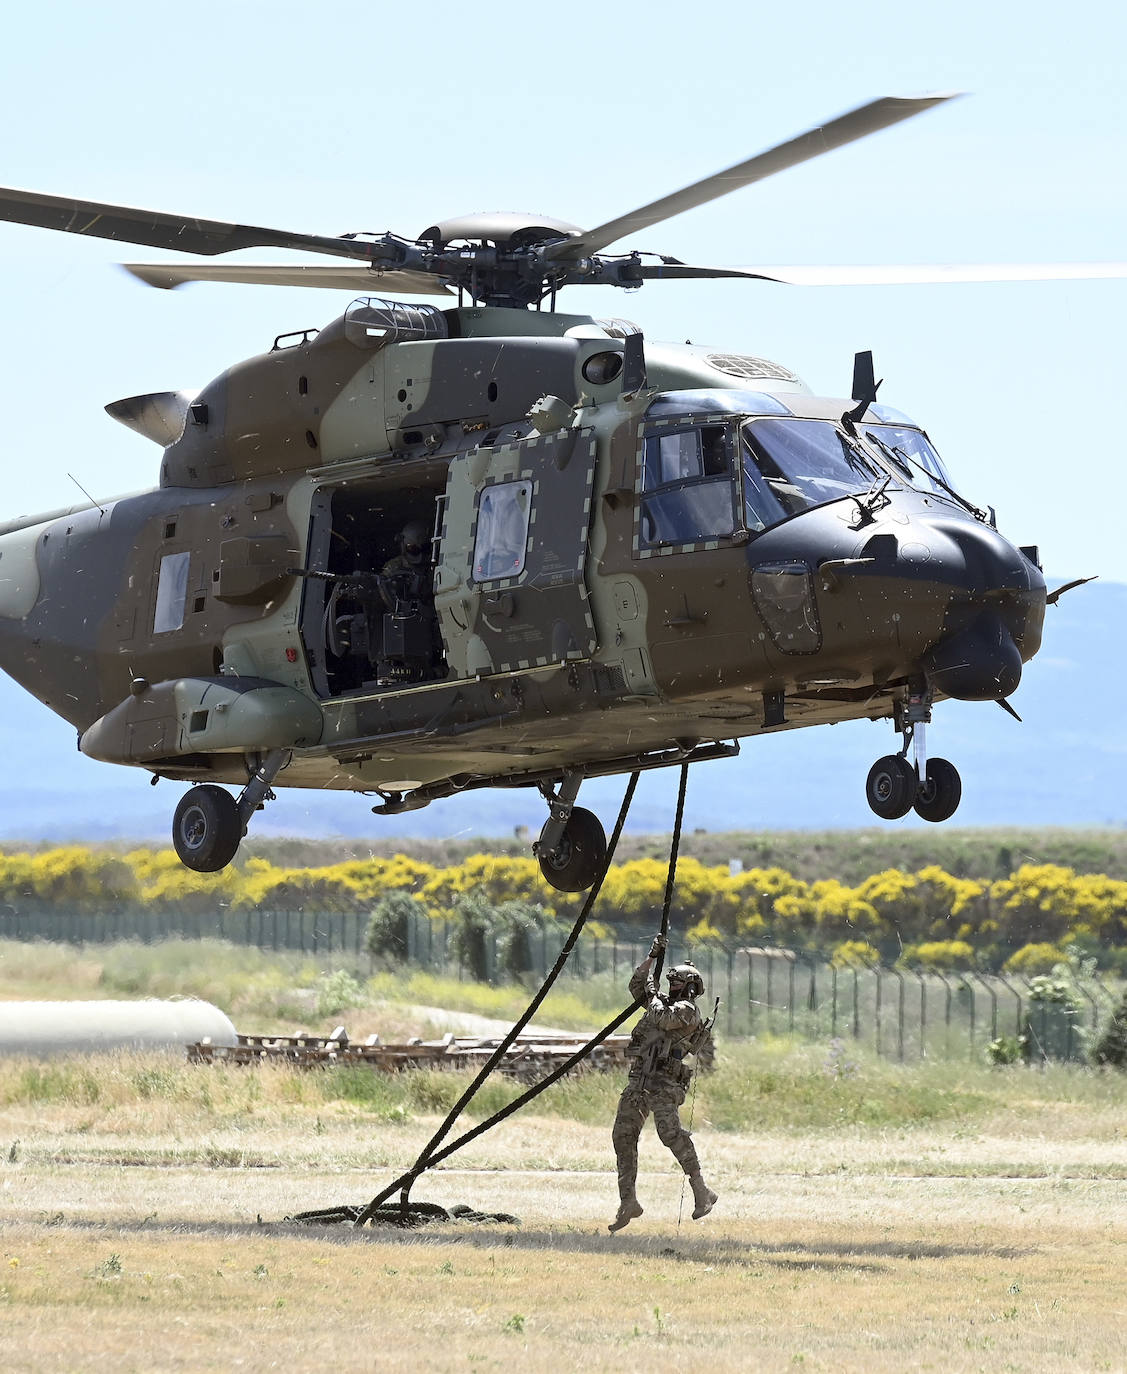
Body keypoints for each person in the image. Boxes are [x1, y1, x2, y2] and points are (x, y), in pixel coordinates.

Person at [608, 934, 717, 1233]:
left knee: (670, 1134)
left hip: (665, 1083)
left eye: (678, 984)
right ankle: (628, 1201)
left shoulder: (688, 1011)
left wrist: (653, 992)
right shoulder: (662, 1001)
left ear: (691, 988)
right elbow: (636, 986)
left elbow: (663, 1017)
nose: (673, 988)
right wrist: (652, 956)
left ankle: (701, 1190)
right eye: (671, 983)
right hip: (640, 1080)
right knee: (623, 1136)